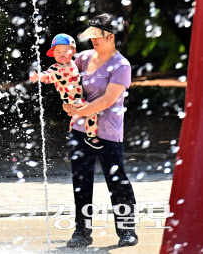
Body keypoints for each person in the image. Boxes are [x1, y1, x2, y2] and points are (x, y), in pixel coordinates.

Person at [62, 13, 138, 249]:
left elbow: (107, 100)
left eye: (99, 34)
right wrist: (66, 102)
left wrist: (78, 111)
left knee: (117, 182)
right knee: (81, 182)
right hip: (80, 131)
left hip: (107, 132)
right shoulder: (83, 58)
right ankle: (81, 232)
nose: (93, 38)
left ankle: (127, 231)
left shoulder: (121, 65)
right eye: (91, 34)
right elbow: (68, 85)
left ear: (111, 36)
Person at [29, 32, 101, 149]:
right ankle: (91, 136)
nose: (62, 55)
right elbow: (48, 75)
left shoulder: (73, 63)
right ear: (53, 53)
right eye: (58, 52)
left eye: (66, 52)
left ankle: (72, 132)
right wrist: (39, 77)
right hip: (73, 99)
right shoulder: (56, 69)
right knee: (92, 111)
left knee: (77, 115)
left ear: (73, 51)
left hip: (77, 98)